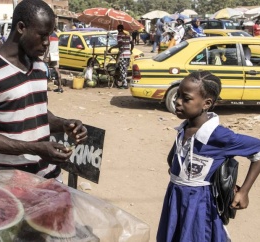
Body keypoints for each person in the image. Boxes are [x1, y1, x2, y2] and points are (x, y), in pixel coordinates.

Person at [0, 0, 88, 179]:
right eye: (42, 35)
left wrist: (63, 125)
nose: (47, 43)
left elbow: (36, 112)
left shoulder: (39, 67)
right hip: (12, 180)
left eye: (50, 36)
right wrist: (34, 148)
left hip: (51, 176)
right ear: (21, 27)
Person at [157, 71, 260, 242]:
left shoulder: (219, 136)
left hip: (198, 203)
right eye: (178, 96)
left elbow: (258, 151)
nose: (177, 102)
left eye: (186, 98)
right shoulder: (185, 128)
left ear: (206, 103)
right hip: (175, 196)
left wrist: (244, 191)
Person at [108, 24, 133, 89]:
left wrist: (111, 48)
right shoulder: (127, 35)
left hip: (123, 54)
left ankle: (125, 84)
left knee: (122, 70)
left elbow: (120, 44)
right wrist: (131, 50)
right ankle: (125, 83)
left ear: (118, 29)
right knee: (125, 69)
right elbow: (132, 43)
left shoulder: (119, 35)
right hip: (128, 54)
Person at [43, 26, 63, 93]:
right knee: (57, 69)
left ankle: (44, 87)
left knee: (44, 69)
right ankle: (60, 87)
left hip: (49, 54)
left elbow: (47, 47)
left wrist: (45, 57)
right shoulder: (56, 36)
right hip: (55, 54)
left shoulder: (49, 36)